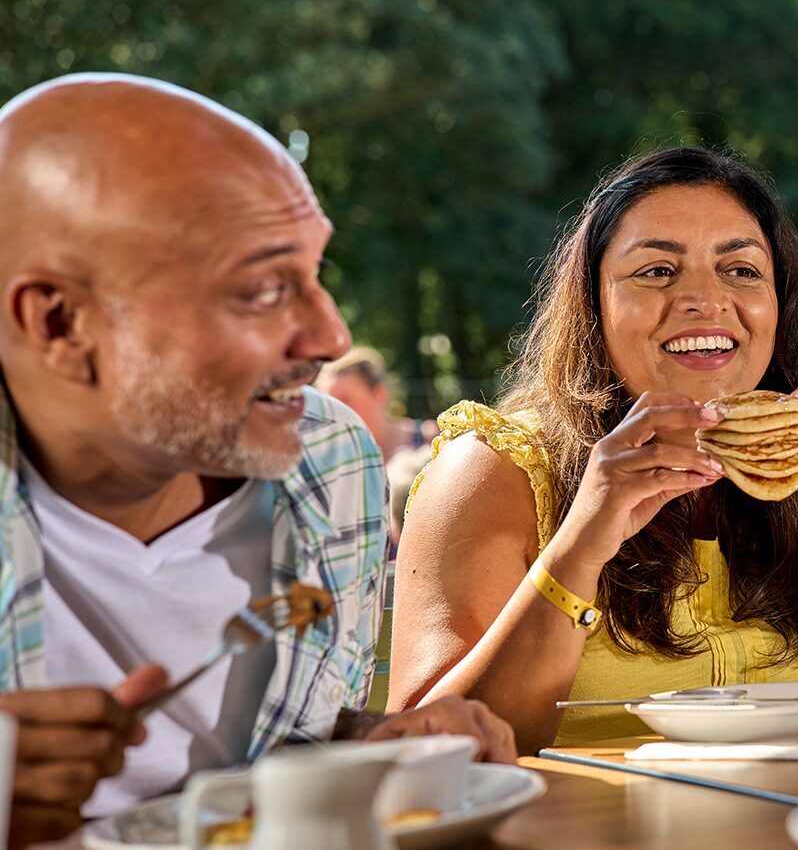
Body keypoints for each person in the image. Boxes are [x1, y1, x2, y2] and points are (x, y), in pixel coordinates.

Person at [0, 74, 513, 847]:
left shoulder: (329, 458)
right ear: (61, 322)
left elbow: (281, 743)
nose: (331, 336)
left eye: (315, 275)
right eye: (264, 289)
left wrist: (370, 747)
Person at [388, 147, 798, 751]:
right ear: (595, 306)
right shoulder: (493, 468)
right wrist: (581, 543)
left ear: (781, 304)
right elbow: (427, 749)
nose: (704, 298)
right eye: (656, 271)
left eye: (742, 271)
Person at [316, 346, 438, 461]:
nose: (335, 412)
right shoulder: (326, 459)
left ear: (379, 393)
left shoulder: (431, 440)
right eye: (329, 403)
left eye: (345, 400)